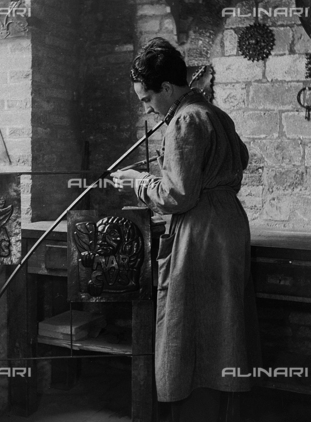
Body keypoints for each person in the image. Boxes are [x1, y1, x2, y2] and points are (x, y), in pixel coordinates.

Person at [110, 37, 260, 422]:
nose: (147, 107)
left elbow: (177, 195)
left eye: (147, 99)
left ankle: (197, 413)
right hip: (228, 225)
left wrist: (137, 182)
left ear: (167, 87)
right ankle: (226, 411)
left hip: (201, 234)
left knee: (189, 326)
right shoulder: (215, 114)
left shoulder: (186, 119)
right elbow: (238, 161)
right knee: (225, 325)